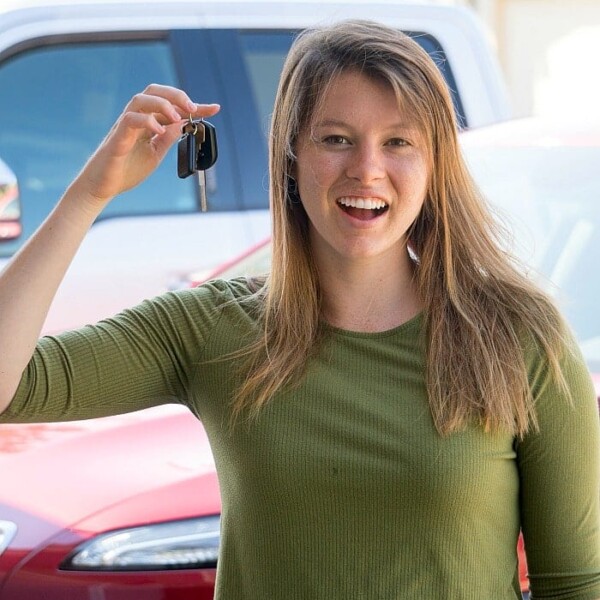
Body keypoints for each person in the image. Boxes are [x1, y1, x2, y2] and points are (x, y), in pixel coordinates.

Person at [0, 19, 599, 600]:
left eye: (398, 142)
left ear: (435, 162)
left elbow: (576, 584)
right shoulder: (215, 328)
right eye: (336, 139)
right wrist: (90, 195)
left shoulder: (516, 338)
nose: (367, 168)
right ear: (291, 154)